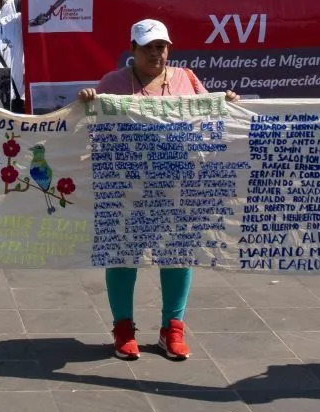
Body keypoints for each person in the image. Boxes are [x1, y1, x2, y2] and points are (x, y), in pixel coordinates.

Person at [79, 20, 237, 360]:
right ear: (132, 49)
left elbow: (211, 119)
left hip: (178, 184)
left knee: (178, 253)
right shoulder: (113, 83)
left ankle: (173, 329)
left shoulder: (186, 78)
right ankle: (123, 329)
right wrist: (88, 101)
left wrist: (228, 103)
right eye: (148, 47)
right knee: (122, 254)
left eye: (161, 47)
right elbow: (92, 128)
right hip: (127, 188)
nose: (156, 53)